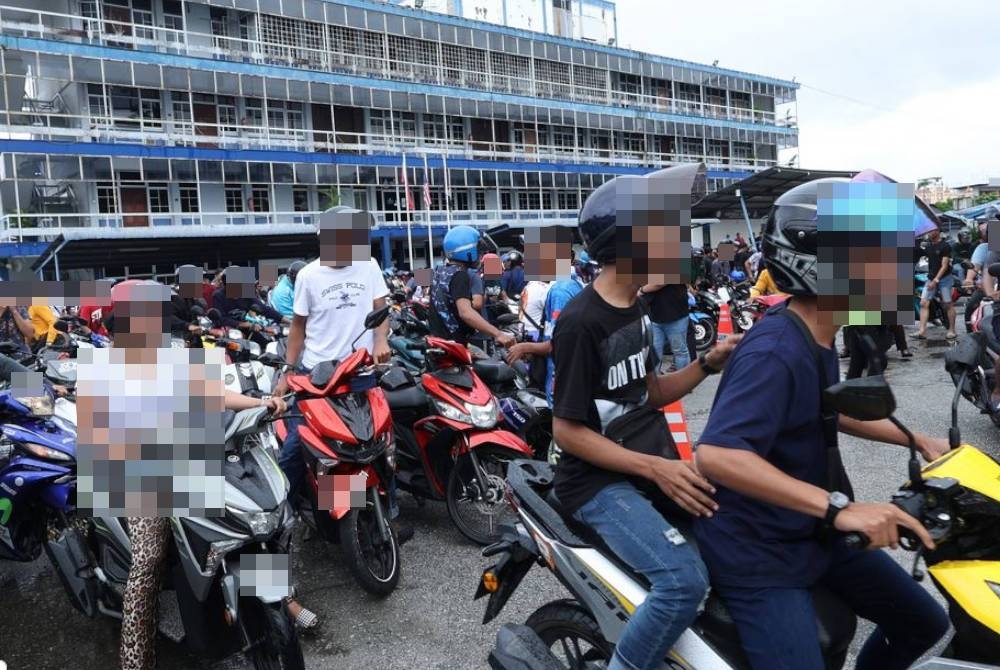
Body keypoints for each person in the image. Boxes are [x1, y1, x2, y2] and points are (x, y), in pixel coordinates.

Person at [694, 177, 950, 670]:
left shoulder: (818, 332)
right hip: (761, 551)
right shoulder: (774, 350)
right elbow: (718, 454)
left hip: (813, 531)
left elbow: (832, 406)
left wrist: (917, 438)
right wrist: (839, 509)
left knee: (924, 623)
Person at [550, 165, 741, 670]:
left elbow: (651, 393)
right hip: (597, 484)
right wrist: (658, 469)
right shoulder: (580, 322)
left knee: (738, 538)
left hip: (647, 462)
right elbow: (566, 432)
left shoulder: (636, 306)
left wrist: (706, 364)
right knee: (683, 581)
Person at [507, 250, 599, 404]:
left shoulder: (559, 291)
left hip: (561, 372)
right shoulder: (572, 283)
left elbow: (558, 343)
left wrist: (524, 347)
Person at [428, 226, 516, 349]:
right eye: (478, 251)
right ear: (467, 251)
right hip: (454, 347)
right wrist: (498, 334)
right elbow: (466, 313)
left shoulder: (440, 272)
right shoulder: (460, 275)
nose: (481, 256)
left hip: (441, 344)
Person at [915, 224, 956, 339]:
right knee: (924, 303)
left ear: (938, 231)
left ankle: (952, 330)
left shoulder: (945, 246)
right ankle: (922, 331)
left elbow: (944, 266)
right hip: (931, 277)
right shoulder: (928, 246)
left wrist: (936, 280)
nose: (929, 232)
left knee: (948, 304)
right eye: (928, 231)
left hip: (944, 278)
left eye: (931, 230)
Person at [638, 284, 692, 372]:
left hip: (675, 314)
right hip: (655, 315)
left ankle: (683, 382)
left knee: (679, 352)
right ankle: (655, 382)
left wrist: (641, 290)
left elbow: (660, 282)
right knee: (654, 353)